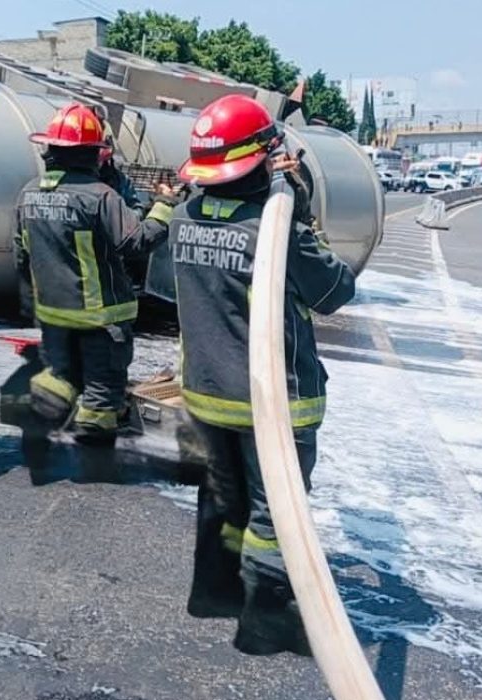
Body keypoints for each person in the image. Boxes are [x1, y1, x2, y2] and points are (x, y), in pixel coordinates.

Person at [169, 94, 357, 656]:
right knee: (274, 516)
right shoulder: (274, 230)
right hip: (273, 404)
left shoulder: (182, 216)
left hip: (206, 393)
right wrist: (299, 211)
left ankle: (214, 594)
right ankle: (266, 624)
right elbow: (333, 291)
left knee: (222, 501)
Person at [13, 102, 177, 442]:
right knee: (101, 400)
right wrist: (164, 207)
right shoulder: (99, 196)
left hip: (55, 317)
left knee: (63, 379)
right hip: (101, 320)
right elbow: (137, 242)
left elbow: (21, 254)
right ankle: (96, 468)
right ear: (91, 153)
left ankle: (43, 431)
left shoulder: (27, 193)